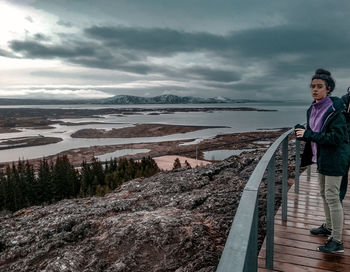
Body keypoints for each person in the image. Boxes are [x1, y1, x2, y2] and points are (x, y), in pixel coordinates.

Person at [295, 68, 350, 254]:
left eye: (319, 87)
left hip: (335, 159)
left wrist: (309, 134)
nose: (315, 90)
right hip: (321, 158)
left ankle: (337, 241)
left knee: (333, 197)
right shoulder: (312, 109)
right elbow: (315, 134)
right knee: (324, 194)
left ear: (329, 89)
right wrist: (303, 135)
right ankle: (328, 226)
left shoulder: (335, 109)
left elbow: (337, 137)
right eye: (313, 86)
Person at [340, 87, 350, 201]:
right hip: (345, 142)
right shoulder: (344, 100)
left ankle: (340, 198)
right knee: (343, 173)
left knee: (344, 173)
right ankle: (340, 198)